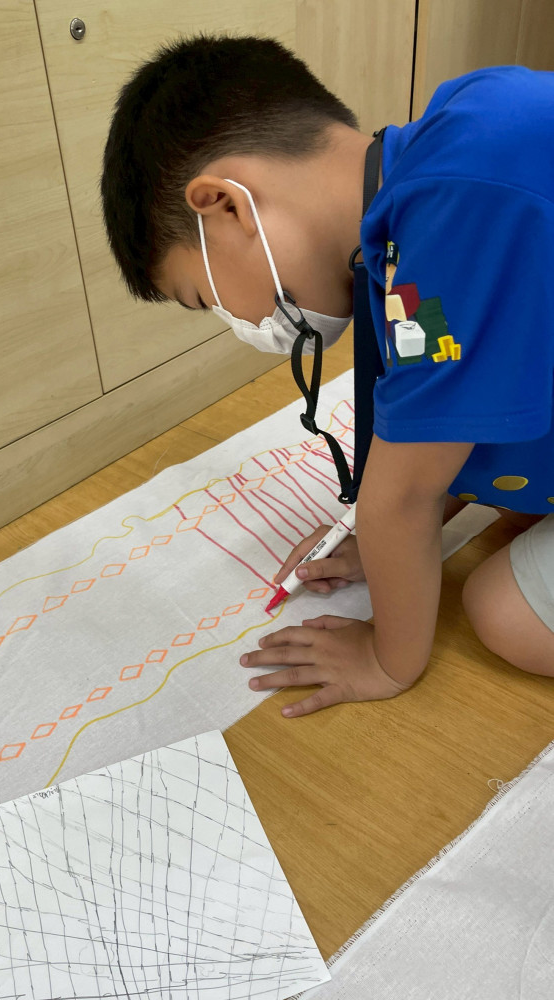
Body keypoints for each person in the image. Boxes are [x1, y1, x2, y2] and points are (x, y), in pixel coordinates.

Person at [100, 35, 554, 716]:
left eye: (205, 297)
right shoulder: (420, 204)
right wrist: (390, 538)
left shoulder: (460, 192)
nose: (238, 321)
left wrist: (387, 656)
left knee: (506, 613)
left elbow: (405, 491)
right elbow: (450, 408)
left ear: (226, 205)